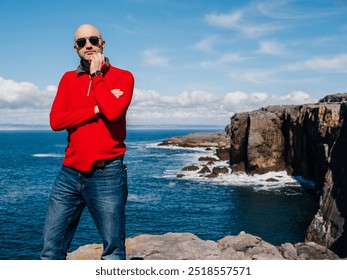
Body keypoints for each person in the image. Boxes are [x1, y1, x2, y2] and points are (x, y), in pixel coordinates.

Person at [41, 24, 134, 260]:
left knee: (113, 251)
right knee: (51, 250)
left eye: (93, 39)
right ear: (75, 48)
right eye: (81, 42)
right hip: (69, 174)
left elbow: (112, 112)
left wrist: (97, 75)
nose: (88, 45)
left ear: (103, 43)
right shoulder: (67, 79)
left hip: (107, 173)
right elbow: (56, 120)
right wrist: (94, 108)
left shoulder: (124, 76)